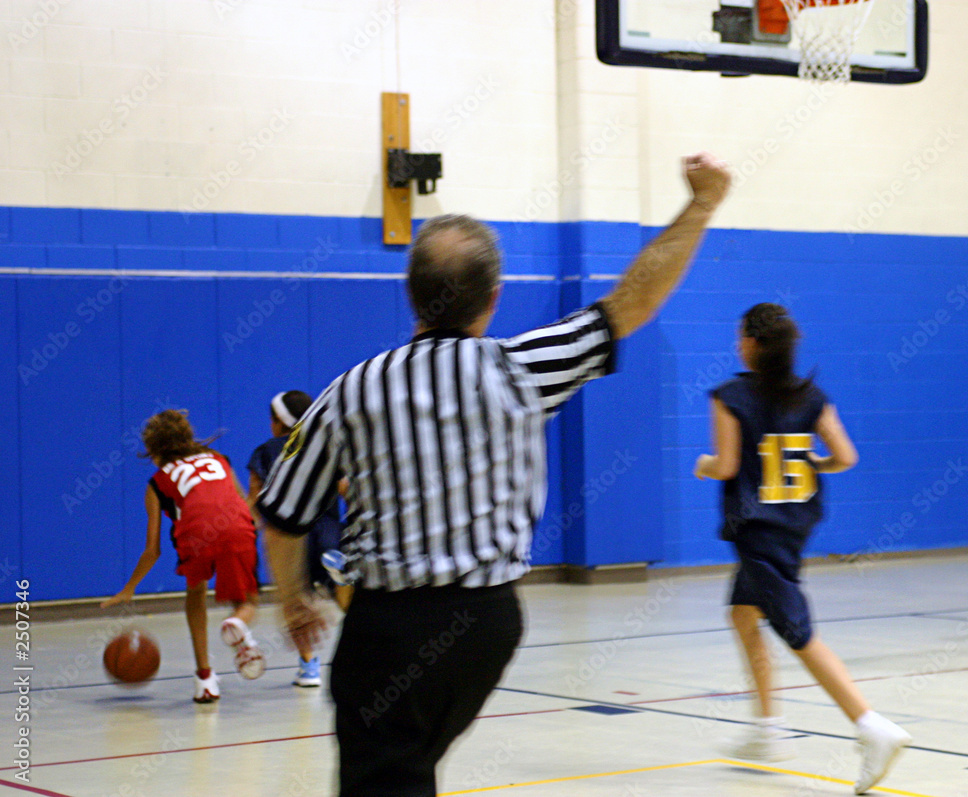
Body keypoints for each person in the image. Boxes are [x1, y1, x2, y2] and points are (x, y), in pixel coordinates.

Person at [258, 152, 732, 796]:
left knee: (383, 778)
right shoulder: (522, 368)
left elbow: (283, 513)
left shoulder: (350, 391)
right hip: (487, 625)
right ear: (494, 299)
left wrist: (292, 599)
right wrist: (701, 203)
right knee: (410, 769)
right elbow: (632, 302)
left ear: (411, 293)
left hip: (390, 629)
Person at [694, 303, 912, 795]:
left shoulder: (729, 395)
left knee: (799, 633)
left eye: (739, 336)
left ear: (752, 343)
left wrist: (704, 463)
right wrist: (813, 462)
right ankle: (767, 730)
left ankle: (872, 726)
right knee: (743, 614)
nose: (736, 345)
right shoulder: (810, 396)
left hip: (758, 530)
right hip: (795, 524)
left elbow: (727, 466)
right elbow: (846, 456)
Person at [102, 409, 265, 703]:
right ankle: (239, 624)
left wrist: (129, 588)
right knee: (247, 601)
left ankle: (205, 680)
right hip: (235, 526)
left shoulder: (156, 483)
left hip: (195, 535)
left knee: (195, 592)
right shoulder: (218, 459)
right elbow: (243, 503)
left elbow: (152, 550)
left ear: (154, 449)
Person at [246, 390, 351, 688]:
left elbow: (255, 499)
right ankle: (340, 582)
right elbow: (345, 487)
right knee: (338, 585)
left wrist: (249, 527)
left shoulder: (265, 451)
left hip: (290, 533)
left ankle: (309, 668)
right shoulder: (324, 445)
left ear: (278, 422)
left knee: (298, 598)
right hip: (328, 527)